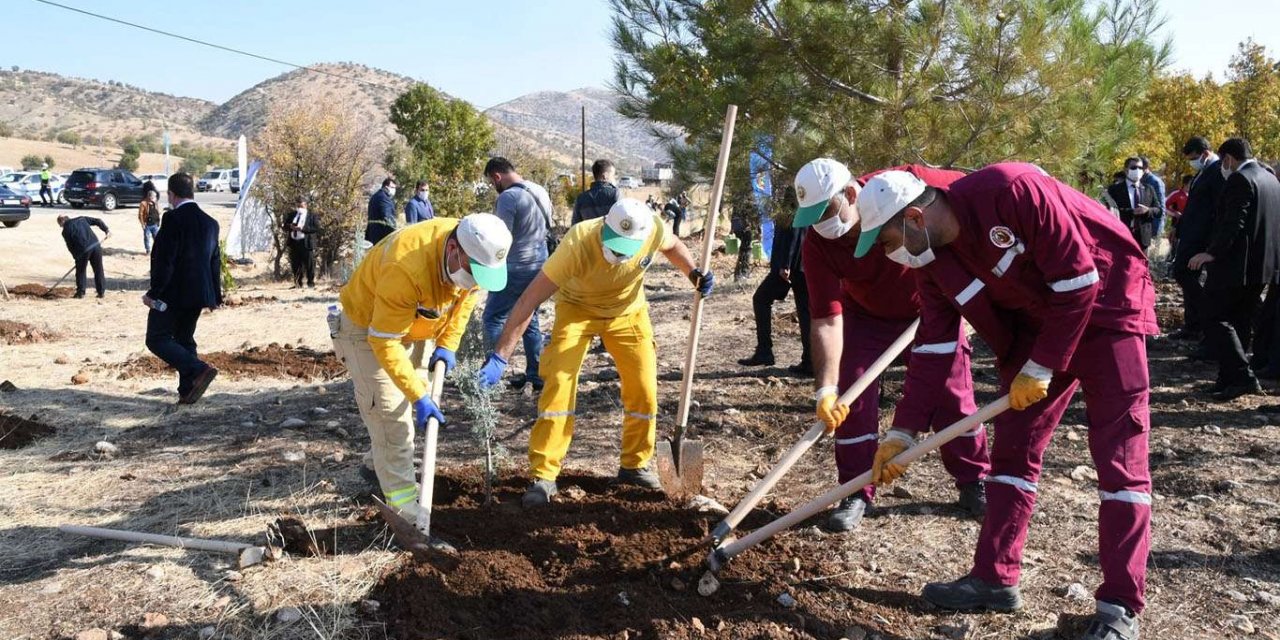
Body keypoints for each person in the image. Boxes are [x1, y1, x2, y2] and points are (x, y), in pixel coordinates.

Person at [854, 164, 1156, 640]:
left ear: (914, 219)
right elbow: (934, 347)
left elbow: (1079, 280)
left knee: (1120, 461)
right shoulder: (934, 266)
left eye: (887, 242)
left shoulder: (1012, 190)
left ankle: (1118, 607)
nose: (889, 257)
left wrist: (1042, 367)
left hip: (1107, 311)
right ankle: (994, 578)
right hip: (1032, 329)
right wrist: (901, 432)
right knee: (1012, 455)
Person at [790, 158, 990, 532]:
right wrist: (826, 390)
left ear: (851, 193)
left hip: (933, 310)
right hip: (867, 317)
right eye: (813, 217)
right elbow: (827, 319)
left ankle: (973, 479)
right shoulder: (819, 243)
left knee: (953, 393)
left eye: (827, 212)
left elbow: (969, 196)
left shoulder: (901, 187)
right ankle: (854, 489)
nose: (822, 226)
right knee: (852, 396)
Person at [476, 198, 713, 508]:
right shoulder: (578, 243)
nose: (616, 255)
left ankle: (634, 466)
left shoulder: (653, 228)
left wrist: (693, 272)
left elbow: (672, 245)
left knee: (644, 387)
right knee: (559, 383)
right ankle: (544, 475)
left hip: (628, 312)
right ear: (604, 227)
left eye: (625, 250)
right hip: (577, 309)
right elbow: (527, 301)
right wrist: (500, 357)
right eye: (613, 245)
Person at [333, 213, 511, 532]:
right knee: (391, 414)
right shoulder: (407, 265)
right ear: (453, 249)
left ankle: (377, 464)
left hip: (415, 326)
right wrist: (418, 396)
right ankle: (406, 514)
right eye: (475, 271)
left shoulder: (476, 247)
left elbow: (465, 300)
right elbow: (384, 342)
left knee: (400, 416)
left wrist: (449, 343)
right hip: (368, 329)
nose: (478, 280)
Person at [1187, 138, 1280, 401]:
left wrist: (1211, 253)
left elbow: (1233, 222)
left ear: (1227, 158)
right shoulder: (1271, 179)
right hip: (1262, 267)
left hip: (1236, 266)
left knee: (1212, 316)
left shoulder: (1241, 179)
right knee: (1239, 320)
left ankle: (1241, 375)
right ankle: (1228, 378)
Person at [144, 173, 223, 405]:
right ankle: (188, 390)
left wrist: (154, 293)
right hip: (200, 293)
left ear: (171, 194)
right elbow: (215, 261)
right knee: (185, 338)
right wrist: (215, 296)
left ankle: (198, 369)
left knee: (156, 339)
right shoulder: (211, 222)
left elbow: (165, 260)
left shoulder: (173, 219)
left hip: (173, 293)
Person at [482, 157, 552, 390]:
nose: (495, 187)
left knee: (493, 317)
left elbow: (501, 236)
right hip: (540, 265)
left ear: (496, 177)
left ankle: (491, 373)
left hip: (514, 267)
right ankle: (536, 374)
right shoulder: (539, 190)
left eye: (493, 183)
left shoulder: (508, 197)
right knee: (528, 317)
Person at [739, 186, 812, 375]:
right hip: (804, 264)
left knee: (761, 299)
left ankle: (765, 351)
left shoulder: (794, 194)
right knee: (805, 311)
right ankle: (809, 361)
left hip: (789, 266)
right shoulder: (808, 198)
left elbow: (795, 230)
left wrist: (785, 263)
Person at [1170, 136, 1228, 346]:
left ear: (1204, 153)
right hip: (1191, 235)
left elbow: (1216, 208)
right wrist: (1180, 228)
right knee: (1185, 275)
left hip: (1202, 238)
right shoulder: (1203, 171)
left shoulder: (1217, 171)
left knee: (1183, 274)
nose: (1192, 162)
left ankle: (1207, 319)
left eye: (1194, 158)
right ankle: (1193, 324)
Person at [1106, 158, 1162, 252]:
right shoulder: (1114, 190)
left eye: (1140, 168)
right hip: (1121, 236)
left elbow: (1159, 210)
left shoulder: (1149, 189)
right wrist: (1132, 212)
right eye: (1134, 167)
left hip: (1143, 239)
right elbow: (1109, 211)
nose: (1138, 170)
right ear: (1126, 169)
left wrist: (1148, 210)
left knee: (1141, 266)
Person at [57, 214, 109, 299]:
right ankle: (101, 292)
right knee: (98, 270)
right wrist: (106, 230)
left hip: (83, 251)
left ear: (62, 221)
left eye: (60, 225)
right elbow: (98, 221)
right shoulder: (82, 219)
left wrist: (76, 257)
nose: (61, 227)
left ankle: (80, 293)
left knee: (80, 271)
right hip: (96, 246)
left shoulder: (65, 230)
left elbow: (70, 246)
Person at [284, 195, 321, 288]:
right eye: (298, 205)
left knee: (309, 264)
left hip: (306, 243)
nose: (300, 207)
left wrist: (302, 228)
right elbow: (285, 226)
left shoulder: (312, 216)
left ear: (306, 205)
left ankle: (310, 283)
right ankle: (298, 283)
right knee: (295, 264)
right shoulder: (292, 215)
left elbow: (316, 228)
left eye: (302, 205)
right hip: (294, 243)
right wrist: (290, 226)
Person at [573, 159, 619, 225]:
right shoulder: (615, 194)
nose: (614, 178)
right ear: (605, 176)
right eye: (613, 175)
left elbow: (575, 226)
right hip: (610, 235)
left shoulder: (581, 198)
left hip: (588, 235)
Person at [1165, 174, 1192, 263]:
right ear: (1184, 184)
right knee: (1174, 241)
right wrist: (1174, 213)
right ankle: (1171, 259)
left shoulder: (1193, 195)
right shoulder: (1176, 194)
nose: (1191, 186)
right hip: (1177, 222)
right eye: (1189, 184)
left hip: (1189, 223)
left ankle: (1182, 259)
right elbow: (1164, 206)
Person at [1139, 156, 1167, 238]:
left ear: (1145, 167)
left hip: (1152, 227)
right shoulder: (1139, 180)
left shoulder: (1155, 182)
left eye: (1139, 167)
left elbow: (1161, 208)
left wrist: (1156, 230)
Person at [365, 177, 398, 245]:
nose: (394, 190)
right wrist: (394, 232)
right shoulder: (384, 198)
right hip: (381, 236)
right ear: (386, 186)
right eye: (392, 187)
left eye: (395, 188)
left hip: (373, 234)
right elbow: (387, 217)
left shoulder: (376, 196)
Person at [137, 186, 162, 256]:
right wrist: (142, 224)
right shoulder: (143, 203)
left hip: (155, 224)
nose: (155, 198)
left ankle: (157, 250)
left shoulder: (156, 203)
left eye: (155, 197)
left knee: (156, 238)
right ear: (150, 197)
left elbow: (158, 212)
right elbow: (140, 214)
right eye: (154, 197)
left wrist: (158, 222)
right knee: (147, 238)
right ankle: (148, 250)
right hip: (147, 224)